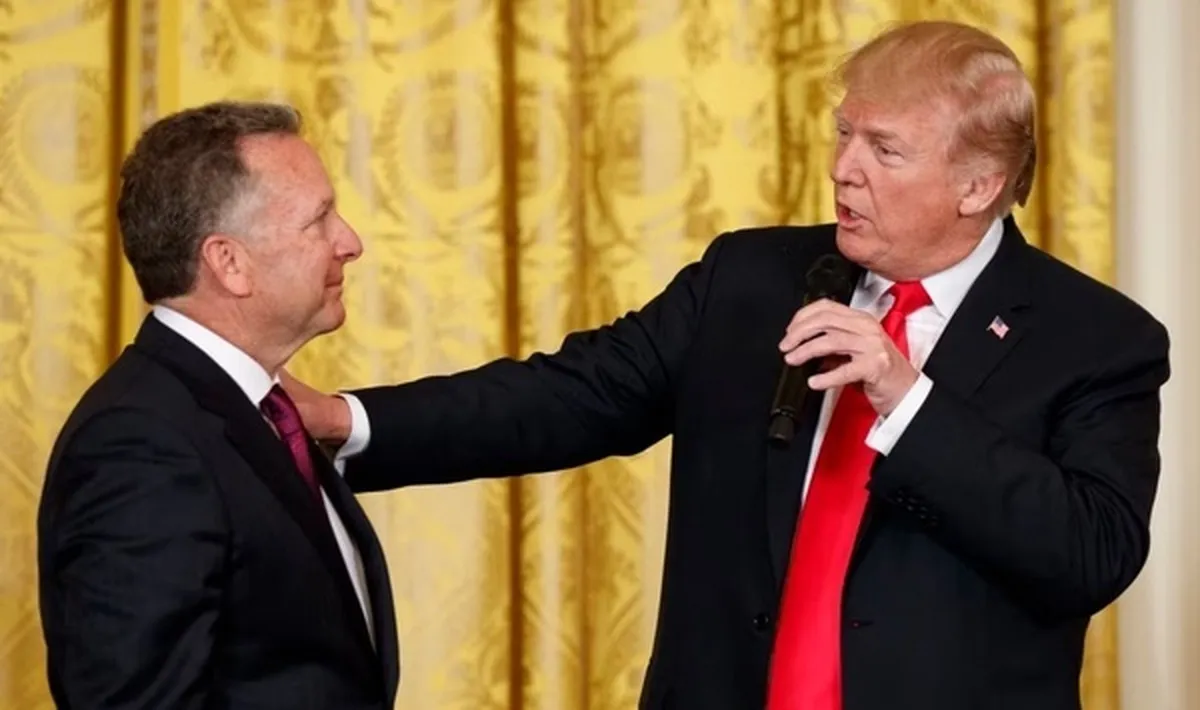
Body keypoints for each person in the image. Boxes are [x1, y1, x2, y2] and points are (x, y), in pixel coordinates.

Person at [289, 20, 1169, 710]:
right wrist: (347, 421)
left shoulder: (1096, 339)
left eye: (884, 149)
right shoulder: (751, 279)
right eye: (843, 134)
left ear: (979, 185)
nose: (843, 170)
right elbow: (572, 394)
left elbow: (1092, 552)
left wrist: (907, 401)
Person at [37, 101, 399, 709]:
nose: (350, 242)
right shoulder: (140, 446)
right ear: (228, 262)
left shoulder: (257, 411)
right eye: (319, 220)